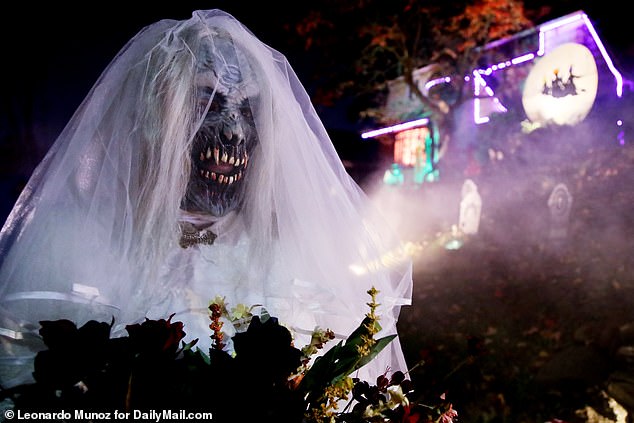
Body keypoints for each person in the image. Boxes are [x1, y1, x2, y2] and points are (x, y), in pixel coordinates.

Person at [0, 9, 412, 389]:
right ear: (152, 117)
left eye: (248, 109)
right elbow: (22, 388)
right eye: (207, 102)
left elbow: (342, 395)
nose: (233, 130)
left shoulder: (301, 256)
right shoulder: (69, 245)